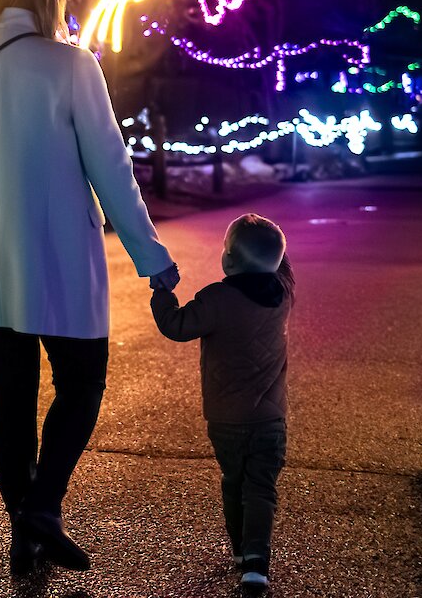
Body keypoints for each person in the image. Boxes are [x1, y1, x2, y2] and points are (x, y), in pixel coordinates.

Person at [0, 0, 179, 574]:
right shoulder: (71, 65)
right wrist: (150, 256)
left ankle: (25, 530)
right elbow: (111, 170)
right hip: (58, 257)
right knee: (82, 380)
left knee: (10, 399)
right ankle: (43, 505)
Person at [150, 213, 293, 590]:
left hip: (226, 419)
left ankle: (240, 551)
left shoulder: (216, 299)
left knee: (234, 481)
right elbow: (279, 264)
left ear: (228, 259)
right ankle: (257, 562)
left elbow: (176, 326)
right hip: (270, 420)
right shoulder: (283, 295)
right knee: (261, 488)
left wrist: (162, 292)